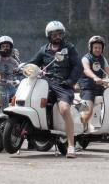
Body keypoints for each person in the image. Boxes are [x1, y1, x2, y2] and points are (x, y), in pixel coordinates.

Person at [29, 21, 81, 158]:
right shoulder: (44, 50)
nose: (57, 36)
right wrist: (23, 67)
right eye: (54, 34)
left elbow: (78, 67)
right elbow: (33, 62)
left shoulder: (69, 48)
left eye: (60, 34)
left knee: (64, 108)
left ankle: (71, 145)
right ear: (49, 36)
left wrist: (70, 82)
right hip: (45, 84)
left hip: (63, 85)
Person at [78, 35, 109, 133]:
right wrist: (94, 77)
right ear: (91, 48)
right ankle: (77, 135)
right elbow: (86, 69)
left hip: (99, 87)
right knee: (87, 112)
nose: (98, 49)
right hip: (87, 88)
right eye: (95, 47)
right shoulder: (86, 58)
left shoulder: (103, 59)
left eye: (100, 48)